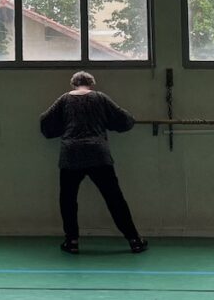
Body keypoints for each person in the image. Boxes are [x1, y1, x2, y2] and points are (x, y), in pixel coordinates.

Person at [40, 71, 147, 254]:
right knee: (114, 198)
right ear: (91, 84)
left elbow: (45, 121)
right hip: (98, 153)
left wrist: (63, 129)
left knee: (68, 199)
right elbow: (124, 119)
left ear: (73, 84)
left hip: (71, 154)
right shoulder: (100, 98)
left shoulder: (64, 99)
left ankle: (71, 241)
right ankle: (134, 240)